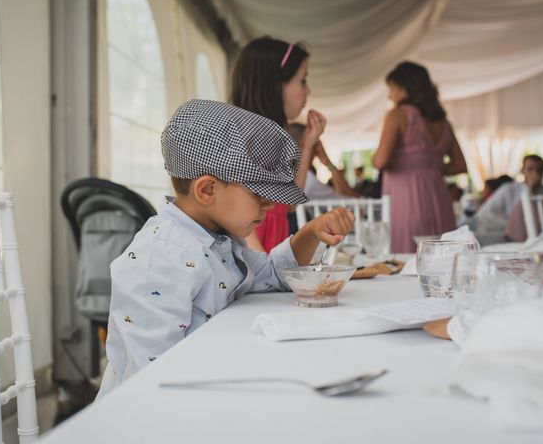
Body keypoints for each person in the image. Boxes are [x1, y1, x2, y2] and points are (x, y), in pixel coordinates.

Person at [99, 99, 354, 395]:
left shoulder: (218, 238)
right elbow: (151, 379)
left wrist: (310, 232)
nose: (270, 204)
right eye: (258, 193)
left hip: (213, 384)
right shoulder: (160, 257)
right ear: (207, 190)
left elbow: (272, 276)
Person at [230, 36, 327, 252]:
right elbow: (238, 224)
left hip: (270, 258)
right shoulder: (244, 138)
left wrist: (307, 145)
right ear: (274, 84)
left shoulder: (272, 138)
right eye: (302, 80)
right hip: (253, 264)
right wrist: (266, 269)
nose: (308, 90)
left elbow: (288, 203)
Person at [372, 61, 467, 253]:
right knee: (442, 259)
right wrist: (431, 167)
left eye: (392, 89)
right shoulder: (443, 122)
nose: (390, 95)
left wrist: (373, 159)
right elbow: (459, 165)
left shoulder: (398, 115)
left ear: (405, 88)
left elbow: (381, 160)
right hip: (439, 198)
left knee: (406, 257)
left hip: (406, 198)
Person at [478, 155, 543, 243]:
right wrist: (511, 224)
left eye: (539, 170)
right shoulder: (508, 189)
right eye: (530, 169)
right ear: (522, 170)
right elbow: (483, 213)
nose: (535, 174)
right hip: (510, 238)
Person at [286, 122, 361, 200]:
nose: (316, 152)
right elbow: (350, 200)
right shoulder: (307, 179)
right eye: (315, 145)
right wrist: (328, 162)